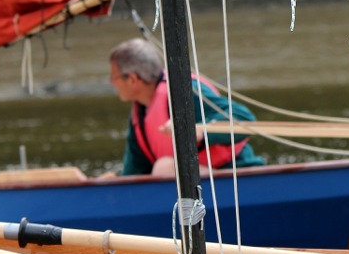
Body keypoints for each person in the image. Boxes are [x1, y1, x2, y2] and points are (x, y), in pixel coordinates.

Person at [108, 38, 265, 176]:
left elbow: (243, 118)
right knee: (161, 168)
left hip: (236, 174)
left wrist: (198, 131)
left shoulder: (184, 92)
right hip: (197, 187)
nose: (110, 82)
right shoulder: (140, 114)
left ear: (133, 79)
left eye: (113, 77)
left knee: (164, 168)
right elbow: (135, 170)